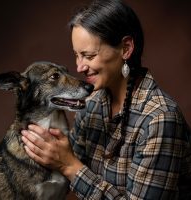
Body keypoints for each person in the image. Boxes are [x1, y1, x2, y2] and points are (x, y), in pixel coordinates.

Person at [21, 0, 191, 199]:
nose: (79, 67)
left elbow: (69, 165)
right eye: (76, 55)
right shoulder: (91, 104)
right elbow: (61, 175)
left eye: (88, 55)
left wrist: (70, 166)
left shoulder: (159, 119)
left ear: (126, 48)